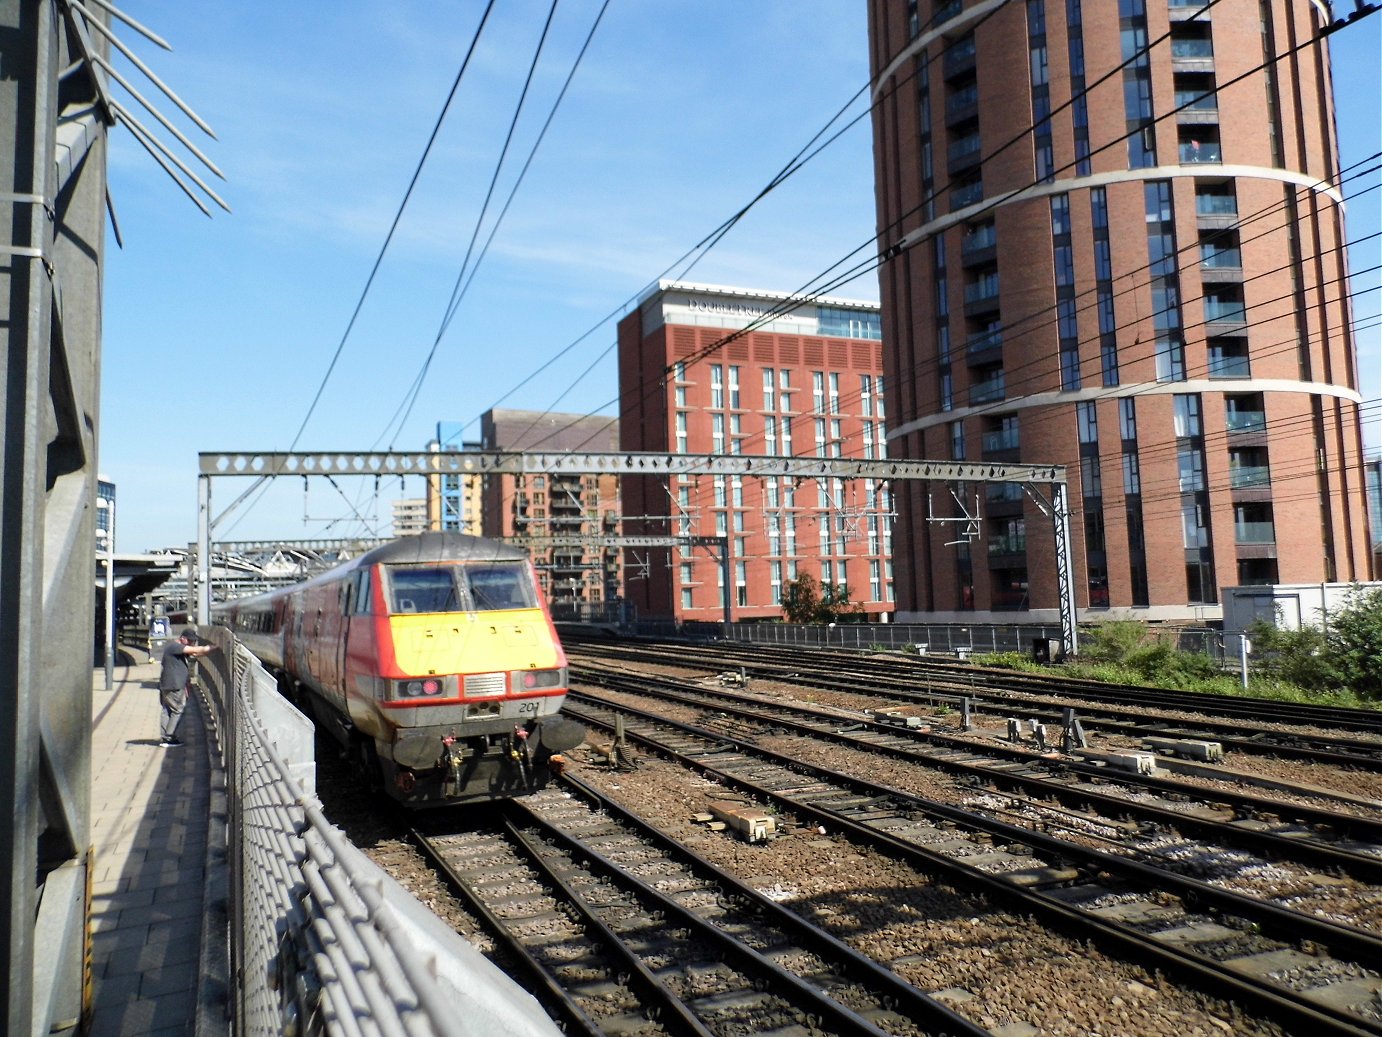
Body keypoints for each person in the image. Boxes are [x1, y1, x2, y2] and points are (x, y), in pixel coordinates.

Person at [157, 627, 216, 747]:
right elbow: (196, 649)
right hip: (174, 685)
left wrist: (208, 650)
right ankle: (169, 737)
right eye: (189, 640)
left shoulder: (176, 649)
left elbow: (196, 653)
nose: (191, 643)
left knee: (167, 710)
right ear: (182, 638)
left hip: (169, 684)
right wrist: (216, 647)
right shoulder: (175, 647)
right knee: (178, 709)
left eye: (193, 641)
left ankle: (165, 737)